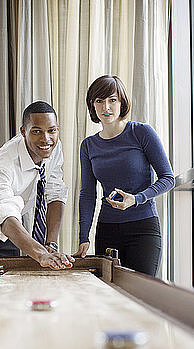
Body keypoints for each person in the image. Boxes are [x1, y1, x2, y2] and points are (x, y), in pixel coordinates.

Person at [0, 101, 74, 271]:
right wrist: (41, 254)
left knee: (11, 282)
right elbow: (5, 214)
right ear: (23, 132)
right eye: (36, 131)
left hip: (12, 225)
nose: (46, 139)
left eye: (52, 130)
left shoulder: (53, 146)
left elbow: (55, 192)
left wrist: (50, 244)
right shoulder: (4, 164)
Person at [73, 75, 174, 276]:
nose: (106, 107)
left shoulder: (141, 132)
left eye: (112, 100)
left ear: (122, 102)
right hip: (107, 229)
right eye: (99, 101)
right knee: (109, 294)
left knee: (141, 295)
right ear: (92, 106)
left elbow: (168, 178)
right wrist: (84, 236)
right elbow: (87, 194)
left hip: (143, 228)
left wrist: (136, 199)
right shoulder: (88, 145)